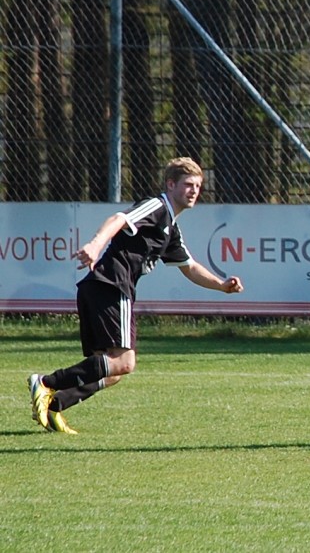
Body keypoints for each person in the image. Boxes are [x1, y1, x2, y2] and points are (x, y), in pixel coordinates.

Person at [27, 158, 245, 434]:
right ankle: (46, 382)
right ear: (170, 184)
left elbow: (189, 267)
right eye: (188, 185)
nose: (194, 191)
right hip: (111, 285)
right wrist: (95, 245)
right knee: (124, 362)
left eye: (198, 186)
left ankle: (54, 405)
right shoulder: (157, 206)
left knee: (112, 372)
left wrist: (222, 285)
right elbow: (119, 219)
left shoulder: (170, 228)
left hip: (100, 287)